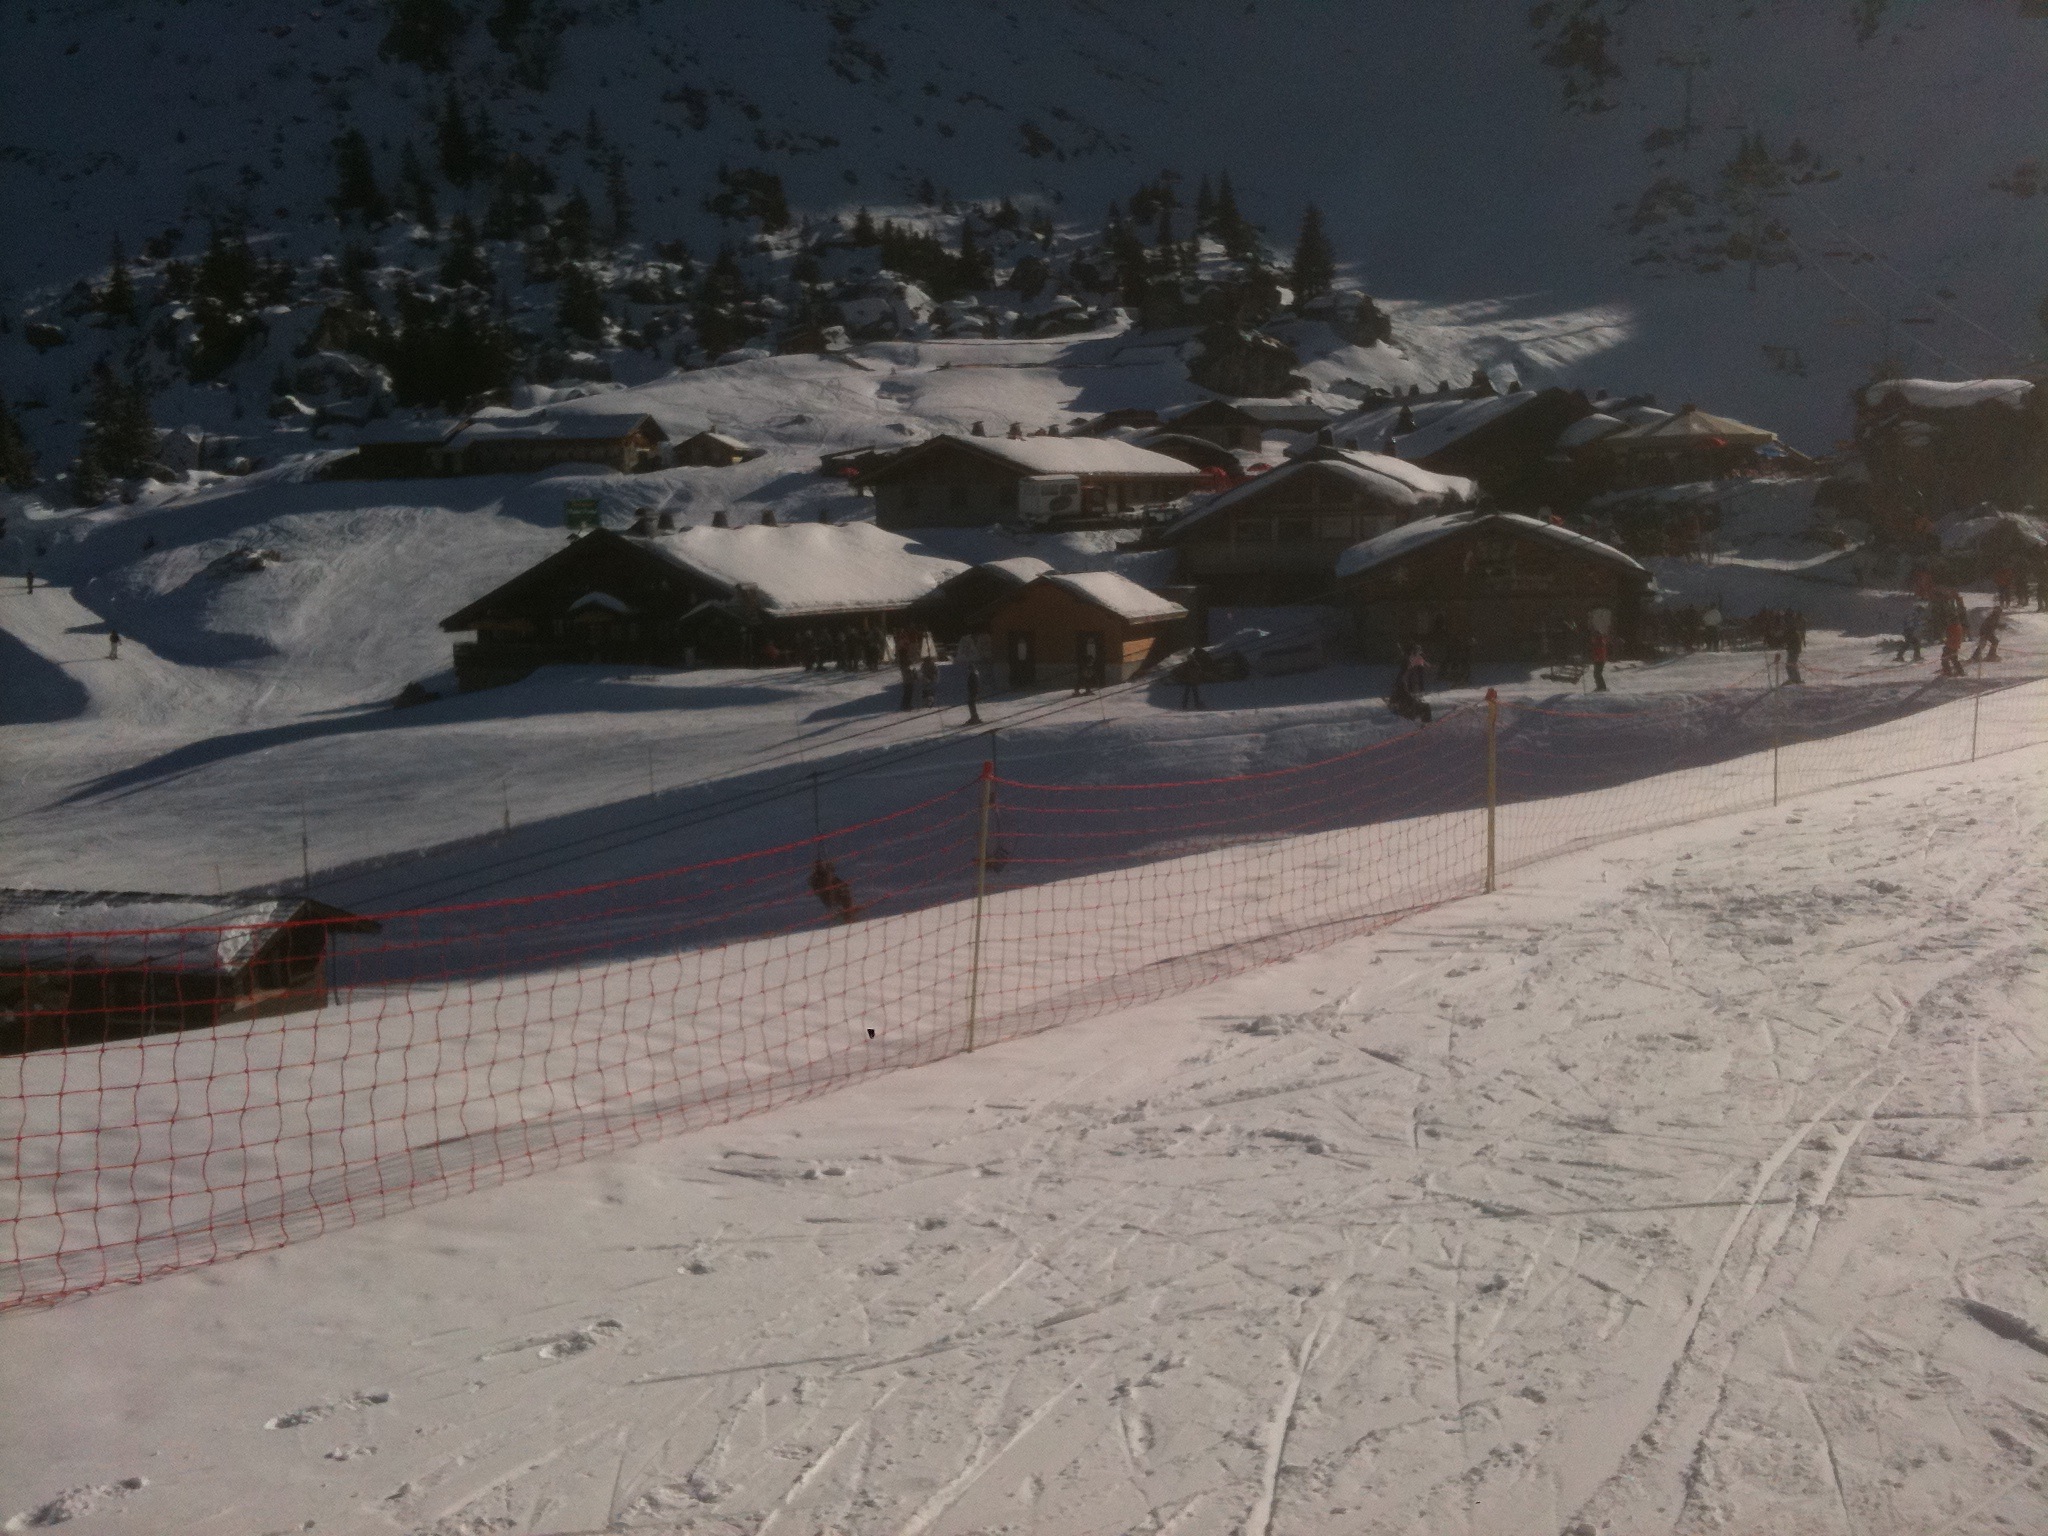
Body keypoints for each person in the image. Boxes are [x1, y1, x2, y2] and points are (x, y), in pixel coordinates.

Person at [1388, 644, 1432, 726]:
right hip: (1405, 707)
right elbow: (1403, 687)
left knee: (1422, 706)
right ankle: (1424, 725)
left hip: (1404, 703)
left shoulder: (1407, 672)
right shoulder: (1405, 674)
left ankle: (1422, 724)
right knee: (1425, 707)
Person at [1781, 610, 1804, 684]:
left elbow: (1791, 638)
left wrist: (1789, 646)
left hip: (1794, 650)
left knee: (1790, 665)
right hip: (1794, 649)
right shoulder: (1791, 627)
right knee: (1791, 664)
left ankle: (1794, 679)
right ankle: (1795, 679)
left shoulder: (1791, 627)